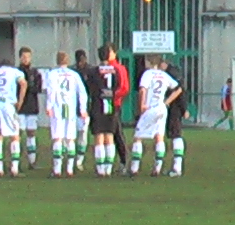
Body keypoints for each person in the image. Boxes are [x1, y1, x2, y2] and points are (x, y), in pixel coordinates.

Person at [131, 55, 182, 176]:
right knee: (159, 137)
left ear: (149, 62)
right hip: (161, 108)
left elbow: (143, 90)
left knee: (138, 137)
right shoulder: (164, 75)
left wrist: (142, 105)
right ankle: (157, 168)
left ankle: (134, 168)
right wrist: (167, 102)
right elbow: (178, 89)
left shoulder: (147, 74)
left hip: (150, 108)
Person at [44, 50, 87, 177]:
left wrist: (49, 106)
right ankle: (69, 169)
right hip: (70, 108)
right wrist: (83, 109)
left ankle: (57, 170)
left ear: (57, 60)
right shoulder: (74, 74)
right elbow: (82, 92)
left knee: (58, 138)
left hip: (58, 108)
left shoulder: (52, 74)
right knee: (70, 139)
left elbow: (51, 91)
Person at [92, 44, 132, 177]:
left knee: (115, 134)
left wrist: (113, 96)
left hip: (110, 104)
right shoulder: (115, 69)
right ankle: (110, 166)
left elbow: (124, 88)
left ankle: (122, 161)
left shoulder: (117, 68)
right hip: (110, 104)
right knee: (111, 134)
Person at [73, 49, 101, 176]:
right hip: (73, 107)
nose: (81, 62)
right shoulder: (73, 71)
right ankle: (71, 158)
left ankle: (79, 160)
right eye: (79, 60)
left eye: (83, 59)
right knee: (71, 135)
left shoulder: (91, 71)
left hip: (86, 108)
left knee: (83, 134)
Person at [16, 47, 43, 170]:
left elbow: (38, 88)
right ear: (20, 58)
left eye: (28, 57)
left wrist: (30, 87)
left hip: (32, 106)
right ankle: (17, 160)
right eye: (24, 57)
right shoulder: (16, 72)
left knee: (31, 133)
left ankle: (32, 161)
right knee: (18, 133)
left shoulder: (35, 73)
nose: (26, 59)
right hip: (20, 107)